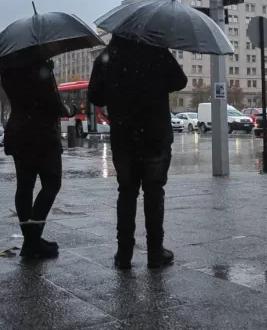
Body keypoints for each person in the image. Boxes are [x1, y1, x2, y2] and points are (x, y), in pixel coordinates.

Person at [88, 35, 187, 269]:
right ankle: (155, 252)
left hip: (124, 137)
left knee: (127, 192)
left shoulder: (107, 57)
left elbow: (95, 96)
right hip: (155, 135)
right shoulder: (156, 50)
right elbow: (180, 81)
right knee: (154, 192)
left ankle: (124, 254)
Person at [1, 59, 70, 259]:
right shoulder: (40, 70)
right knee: (52, 183)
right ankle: (32, 240)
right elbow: (52, 104)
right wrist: (65, 109)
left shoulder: (8, 69)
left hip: (19, 132)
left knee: (25, 185)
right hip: (41, 135)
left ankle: (32, 240)